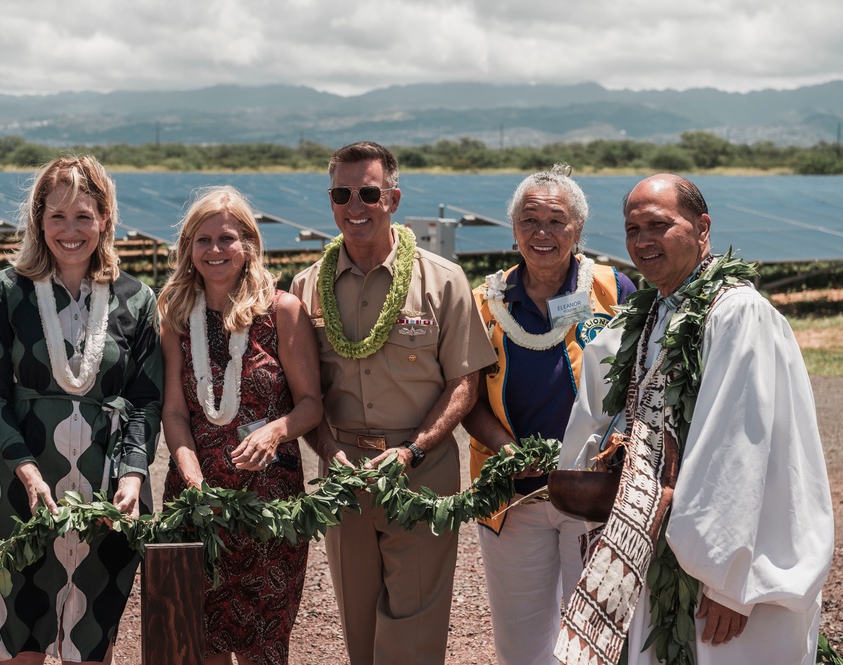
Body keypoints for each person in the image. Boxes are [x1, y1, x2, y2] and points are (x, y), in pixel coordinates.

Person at [555, 174, 834, 664]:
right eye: (632, 228)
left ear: (702, 227)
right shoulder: (649, 315)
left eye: (659, 225)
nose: (643, 241)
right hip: (656, 542)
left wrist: (727, 581)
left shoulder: (737, 313)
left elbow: (740, 446)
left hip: (723, 570)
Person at [290, 141, 495, 664]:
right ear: (330, 200)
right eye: (342, 193)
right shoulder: (306, 288)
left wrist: (415, 451)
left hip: (419, 470)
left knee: (415, 627)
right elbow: (304, 393)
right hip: (344, 474)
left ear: (393, 198)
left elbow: (464, 384)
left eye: (368, 192)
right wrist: (327, 447)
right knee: (357, 624)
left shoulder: (443, 281)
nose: (354, 205)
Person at [0, 155, 163, 664]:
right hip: (15, 480)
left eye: (84, 216)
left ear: (106, 220)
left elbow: (145, 400)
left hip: (105, 484)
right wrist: (28, 474)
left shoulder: (137, 299)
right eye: (57, 216)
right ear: (38, 220)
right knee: (20, 637)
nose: (70, 230)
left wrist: (135, 477)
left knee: (90, 642)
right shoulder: (5, 293)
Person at [461, 164, 636, 665]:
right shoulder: (485, 302)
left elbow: (641, 379)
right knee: (521, 641)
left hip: (594, 488)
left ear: (578, 230)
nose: (543, 233)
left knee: (594, 633)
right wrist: (508, 451)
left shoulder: (613, 289)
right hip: (511, 494)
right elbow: (467, 400)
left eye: (557, 221)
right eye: (529, 220)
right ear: (513, 228)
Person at [156, 185, 321, 665]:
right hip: (196, 500)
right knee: (199, 639)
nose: (214, 250)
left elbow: (312, 404)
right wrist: (189, 474)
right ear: (189, 247)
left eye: (226, 238)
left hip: (269, 504)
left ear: (248, 244)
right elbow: (174, 411)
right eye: (202, 239)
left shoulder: (282, 310)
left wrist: (275, 432)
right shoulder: (175, 317)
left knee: (264, 647)